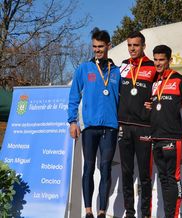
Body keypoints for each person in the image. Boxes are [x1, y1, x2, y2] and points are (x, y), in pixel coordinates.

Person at [68, 27, 120, 218]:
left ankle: (102, 211)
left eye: (100, 47)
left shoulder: (116, 71)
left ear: (108, 46)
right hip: (89, 127)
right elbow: (74, 97)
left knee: (106, 168)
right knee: (88, 167)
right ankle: (88, 210)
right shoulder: (84, 69)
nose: (97, 50)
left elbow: (124, 99)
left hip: (110, 127)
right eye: (94, 47)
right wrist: (72, 122)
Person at [145, 44, 182, 218]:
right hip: (156, 138)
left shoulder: (179, 79)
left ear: (170, 60)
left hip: (172, 138)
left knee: (173, 179)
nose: (158, 63)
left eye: (162, 60)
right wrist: (150, 106)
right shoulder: (155, 82)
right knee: (163, 179)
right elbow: (160, 106)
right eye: (155, 59)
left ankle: (174, 216)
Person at [118, 31, 157, 218]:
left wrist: (155, 103)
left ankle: (145, 213)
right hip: (123, 126)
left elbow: (162, 92)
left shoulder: (152, 66)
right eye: (129, 45)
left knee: (144, 174)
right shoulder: (123, 66)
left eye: (136, 45)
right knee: (126, 172)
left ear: (143, 46)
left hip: (143, 126)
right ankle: (130, 213)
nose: (132, 48)